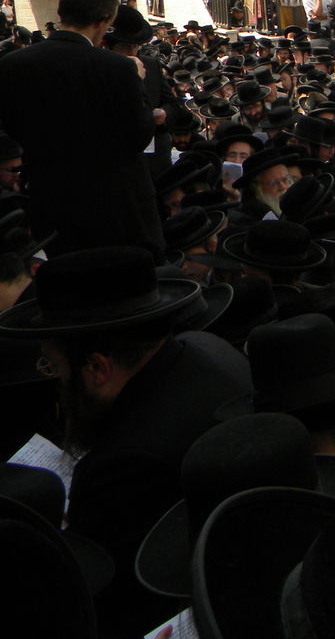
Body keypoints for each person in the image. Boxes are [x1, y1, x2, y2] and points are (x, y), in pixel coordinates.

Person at [0, 247, 251, 636]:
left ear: (98, 367)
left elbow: (106, 599)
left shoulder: (124, 464)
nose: (57, 383)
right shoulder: (209, 351)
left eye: (54, 366)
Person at [0, 0, 162, 257]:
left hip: (50, 203)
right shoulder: (118, 68)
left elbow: (12, 126)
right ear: (104, 21)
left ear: (62, 13)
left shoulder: (13, 64)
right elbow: (139, 134)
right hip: (114, 211)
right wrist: (136, 82)